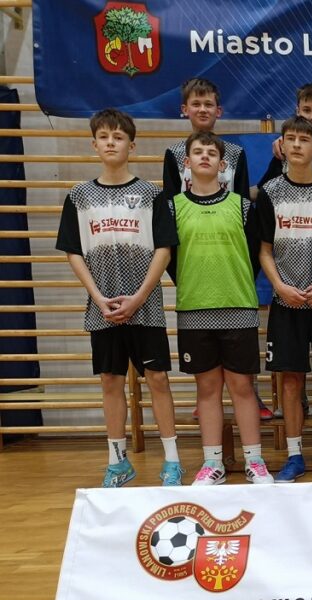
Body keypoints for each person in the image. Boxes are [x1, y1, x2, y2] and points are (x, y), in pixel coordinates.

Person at [56, 108, 180, 487]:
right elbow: (74, 251)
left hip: (146, 308)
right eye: (104, 137)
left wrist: (139, 297)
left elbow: (164, 249)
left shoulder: (151, 194)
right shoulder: (79, 196)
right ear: (94, 144)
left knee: (157, 378)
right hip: (103, 309)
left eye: (118, 137)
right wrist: (98, 297)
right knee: (110, 381)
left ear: (132, 145)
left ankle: (172, 461)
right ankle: (118, 462)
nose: (111, 142)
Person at [162, 131, 273, 485]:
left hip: (238, 306)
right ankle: (213, 463)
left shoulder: (243, 207)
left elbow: (256, 254)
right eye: (198, 152)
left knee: (242, 386)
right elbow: (169, 259)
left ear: (223, 165)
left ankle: (254, 460)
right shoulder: (173, 207)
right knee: (207, 389)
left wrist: (232, 281)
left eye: (212, 152)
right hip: (194, 308)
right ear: (187, 163)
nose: (205, 156)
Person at [162, 77, 271, 420]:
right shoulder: (174, 154)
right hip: (194, 260)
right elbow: (169, 212)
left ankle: (252, 395)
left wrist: (243, 271)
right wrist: (183, 275)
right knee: (207, 373)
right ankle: (206, 400)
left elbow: (243, 211)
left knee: (241, 354)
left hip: (230, 263)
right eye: (196, 104)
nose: (202, 109)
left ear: (218, 110)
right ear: (185, 110)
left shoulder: (234, 153)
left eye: (208, 103)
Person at [256, 116, 312, 482]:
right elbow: (264, 249)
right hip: (287, 301)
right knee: (291, 381)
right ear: (282, 145)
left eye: (303, 140)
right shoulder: (271, 192)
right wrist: (278, 286)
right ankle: (294, 455)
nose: (296, 145)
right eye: (290, 139)